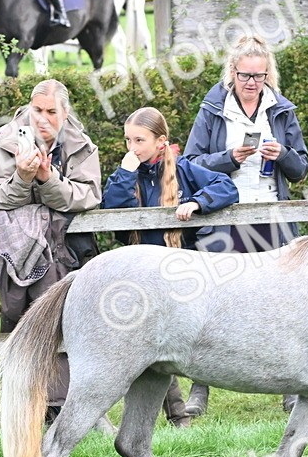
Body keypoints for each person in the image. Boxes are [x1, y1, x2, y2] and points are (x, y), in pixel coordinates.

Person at [183, 33, 308, 416]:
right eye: (245, 75)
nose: (252, 82)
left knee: (284, 303)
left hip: (272, 214)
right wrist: (229, 158)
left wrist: (282, 153)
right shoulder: (212, 109)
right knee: (213, 301)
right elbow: (190, 163)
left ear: (268, 74)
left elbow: (301, 169)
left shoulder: (281, 110)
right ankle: (200, 387)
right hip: (225, 214)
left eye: (259, 75)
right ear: (232, 73)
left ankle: (291, 386)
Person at [0, 79, 102, 423]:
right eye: (37, 110)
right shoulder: (4, 140)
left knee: (64, 324)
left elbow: (87, 196)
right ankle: (21, 405)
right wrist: (23, 179)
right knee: (18, 322)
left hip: (67, 250)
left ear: (65, 113)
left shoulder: (80, 145)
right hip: (16, 251)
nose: (42, 118)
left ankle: (61, 409)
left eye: (51, 111)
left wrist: (47, 180)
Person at [102, 107, 239, 427]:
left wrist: (197, 202)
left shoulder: (183, 168)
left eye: (140, 140)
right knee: (146, 343)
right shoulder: (127, 173)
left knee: (166, 342)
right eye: (128, 140)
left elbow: (226, 186)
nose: (132, 147)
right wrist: (125, 173)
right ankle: (177, 417)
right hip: (138, 272)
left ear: (161, 141)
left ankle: (182, 411)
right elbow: (112, 210)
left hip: (177, 271)